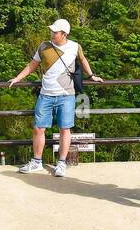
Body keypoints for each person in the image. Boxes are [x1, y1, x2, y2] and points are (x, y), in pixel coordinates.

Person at [7, 18, 103, 177]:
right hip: (46, 94)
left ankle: (61, 163)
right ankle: (37, 161)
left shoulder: (74, 47)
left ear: (64, 34)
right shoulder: (43, 46)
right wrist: (18, 78)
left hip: (67, 95)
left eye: (55, 32)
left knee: (65, 129)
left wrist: (91, 75)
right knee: (39, 128)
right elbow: (32, 64)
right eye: (52, 31)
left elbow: (83, 59)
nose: (52, 33)